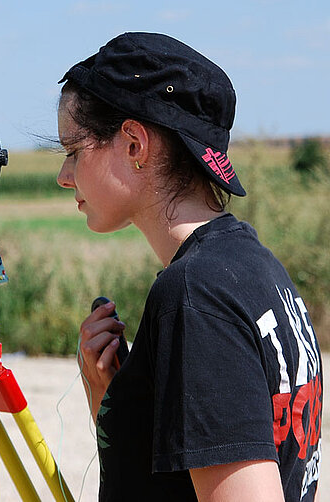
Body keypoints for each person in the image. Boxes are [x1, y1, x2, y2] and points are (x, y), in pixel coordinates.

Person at [56, 32, 322, 501]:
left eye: (73, 151)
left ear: (134, 144)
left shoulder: (197, 295)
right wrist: (121, 404)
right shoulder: (254, 268)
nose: (63, 176)